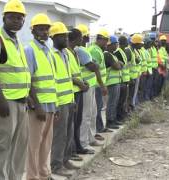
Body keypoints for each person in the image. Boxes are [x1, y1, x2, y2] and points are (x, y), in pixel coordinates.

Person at [0, 0, 30, 179]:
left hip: (21, 103)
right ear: (4, 18)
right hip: (4, 104)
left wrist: (28, 96)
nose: (16, 21)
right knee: (2, 148)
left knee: (19, 149)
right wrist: (1, 99)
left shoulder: (16, 41)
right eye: (12, 17)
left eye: (20, 18)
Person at [24, 13, 57, 180]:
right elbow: (27, 80)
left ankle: (44, 174)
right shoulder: (30, 50)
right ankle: (32, 177)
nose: (45, 32)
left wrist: (54, 106)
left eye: (46, 29)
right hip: (38, 107)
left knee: (46, 144)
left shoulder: (48, 51)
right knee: (34, 145)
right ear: (33, 31)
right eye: (41, 29)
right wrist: (37, 106)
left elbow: (51, 81)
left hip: (50, 105)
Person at [75, 25, 107, 154]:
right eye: (86, 35)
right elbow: (93, 66)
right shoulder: (80, 50)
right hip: (86, 87)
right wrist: (95, 65)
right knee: (86, 115)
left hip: (90, 85)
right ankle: (84, 142)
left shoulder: (84, 49)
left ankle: (90, 138)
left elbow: (95, 66)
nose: (88, 37)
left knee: (92, 113)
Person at [49, 22, 75, 177]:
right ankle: (56, 165)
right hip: (59, 101)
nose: (67, 38)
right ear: (55, 37)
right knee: (59, 135)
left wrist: (72, 99)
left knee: (68, 132)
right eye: (63, 36)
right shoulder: (52, 55)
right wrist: (56, 104)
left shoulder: (65, 54)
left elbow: (68, 78)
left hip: (69, 99)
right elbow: (53, 81)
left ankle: (65, 159)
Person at [65, 28, 89, 163]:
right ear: (76, 38)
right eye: (81, 37)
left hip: (78, 90)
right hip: (72, 92)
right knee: (72, 122)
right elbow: (68, 74)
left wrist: (83, 82)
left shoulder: (74, 52)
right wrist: (80, 84)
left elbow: (76, 72)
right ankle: (72, 149)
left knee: (77, 121)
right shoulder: (66, 53)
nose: (83, 39)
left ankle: (76, 146)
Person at [88, 29, 110, 137]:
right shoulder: (94, 51)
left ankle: (99, 128)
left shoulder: (98, 50)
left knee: (98, 107)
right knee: (95, 110)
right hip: (96, 85)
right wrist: (102, 85)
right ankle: (96, 131)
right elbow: (96, 69)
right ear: (100, 39)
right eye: (105, 40)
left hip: (97, 84)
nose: (107, 43)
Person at [104, 35, 124, 129]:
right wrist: (119, 64)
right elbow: (117, 66)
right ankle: (110, 121)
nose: (117, 46)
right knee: (112, 102)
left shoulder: (113, 54)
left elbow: (120, 64)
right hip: (111, 82)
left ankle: (113, 119)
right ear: (110, 44)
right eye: (115, 44)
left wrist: (119, 64)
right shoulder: (107, 54)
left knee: (115, 101)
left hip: (116, 81)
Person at [114, 35, 131, 123]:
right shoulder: (118, 52)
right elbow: (120, 66)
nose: (127, 44)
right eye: (126, 43)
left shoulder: (123, 52)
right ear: (123, 43)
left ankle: (121, 115)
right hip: (121, 80)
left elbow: (125, 65)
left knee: (123, 100)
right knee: (119, 101)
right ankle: (119, 117)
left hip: (124, 80)